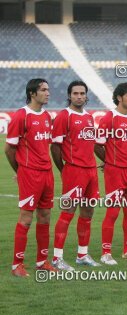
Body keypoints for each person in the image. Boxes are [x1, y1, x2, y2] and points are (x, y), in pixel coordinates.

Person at [6, 78, 57, 277]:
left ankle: (42, 261)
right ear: (32, 93)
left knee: (45, 217)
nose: (48, 93)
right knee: (26, 218)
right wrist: (20, 171)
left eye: (48, 89)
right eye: (44, 90)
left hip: (47, 173)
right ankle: (17, 265)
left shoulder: (46, 116)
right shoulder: (21, 116)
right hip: (30, 174)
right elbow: (9, 148)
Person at [50, 80, 101, 270]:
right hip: (74, 171)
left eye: (82, 93)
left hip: (90, 171)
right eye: (75, 93)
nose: (79, 96)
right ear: (69, 95)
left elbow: (91, 145)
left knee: (87, 213)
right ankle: (57, 258)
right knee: (67, 213)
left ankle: (82, 255)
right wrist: (63, 170)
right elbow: (55, 146)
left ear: (86, 96)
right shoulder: (64, 116)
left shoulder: (88, 117)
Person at [94, 82, 127, 264]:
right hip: (116, 172)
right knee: (113, 212)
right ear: (119, 98)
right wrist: (109, 161)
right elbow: (97, 144)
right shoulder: (109, 118)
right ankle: (105, 253)